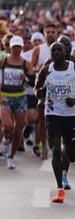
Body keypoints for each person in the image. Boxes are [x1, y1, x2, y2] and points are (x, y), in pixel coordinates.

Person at [35, 42, 75, 203]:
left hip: (70, 115)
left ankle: (69, 154)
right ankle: (60, 188)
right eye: (53, 50)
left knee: (70, 154)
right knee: (55, 149)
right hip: (52, 114)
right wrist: (40, 94)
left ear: (64, 52)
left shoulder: (73, 68)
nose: (55, 52)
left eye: (58, 50)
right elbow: (37, 89)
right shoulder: (47, 70)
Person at [0, 35, 37, 168]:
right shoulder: (3, 61)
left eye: (18, 47)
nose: (16, 49)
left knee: (18, 130)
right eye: (14, 47)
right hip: (6, 96)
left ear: (21, 48)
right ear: (10, 47)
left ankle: (11, 156)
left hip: (20, 97)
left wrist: (25, 78)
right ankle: (5, 139)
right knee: (8, 126)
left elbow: (33, 82)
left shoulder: (26, 63)